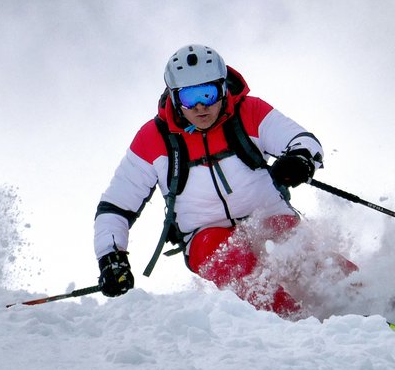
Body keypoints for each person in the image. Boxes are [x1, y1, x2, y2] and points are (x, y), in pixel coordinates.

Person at [93, 43, 351, 317]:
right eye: (190, 97)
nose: (201, 106)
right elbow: (115, 206)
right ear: (174, 96)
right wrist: (111, 257)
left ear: (223, 87)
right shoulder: (154, 138)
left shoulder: (248, 112)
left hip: (266, 214)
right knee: (233, 261)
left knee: (305, 256)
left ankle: (373, 304)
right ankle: (294, 324)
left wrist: (300, 159)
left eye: (208, 93)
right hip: (205, 233)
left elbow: (302, 140)